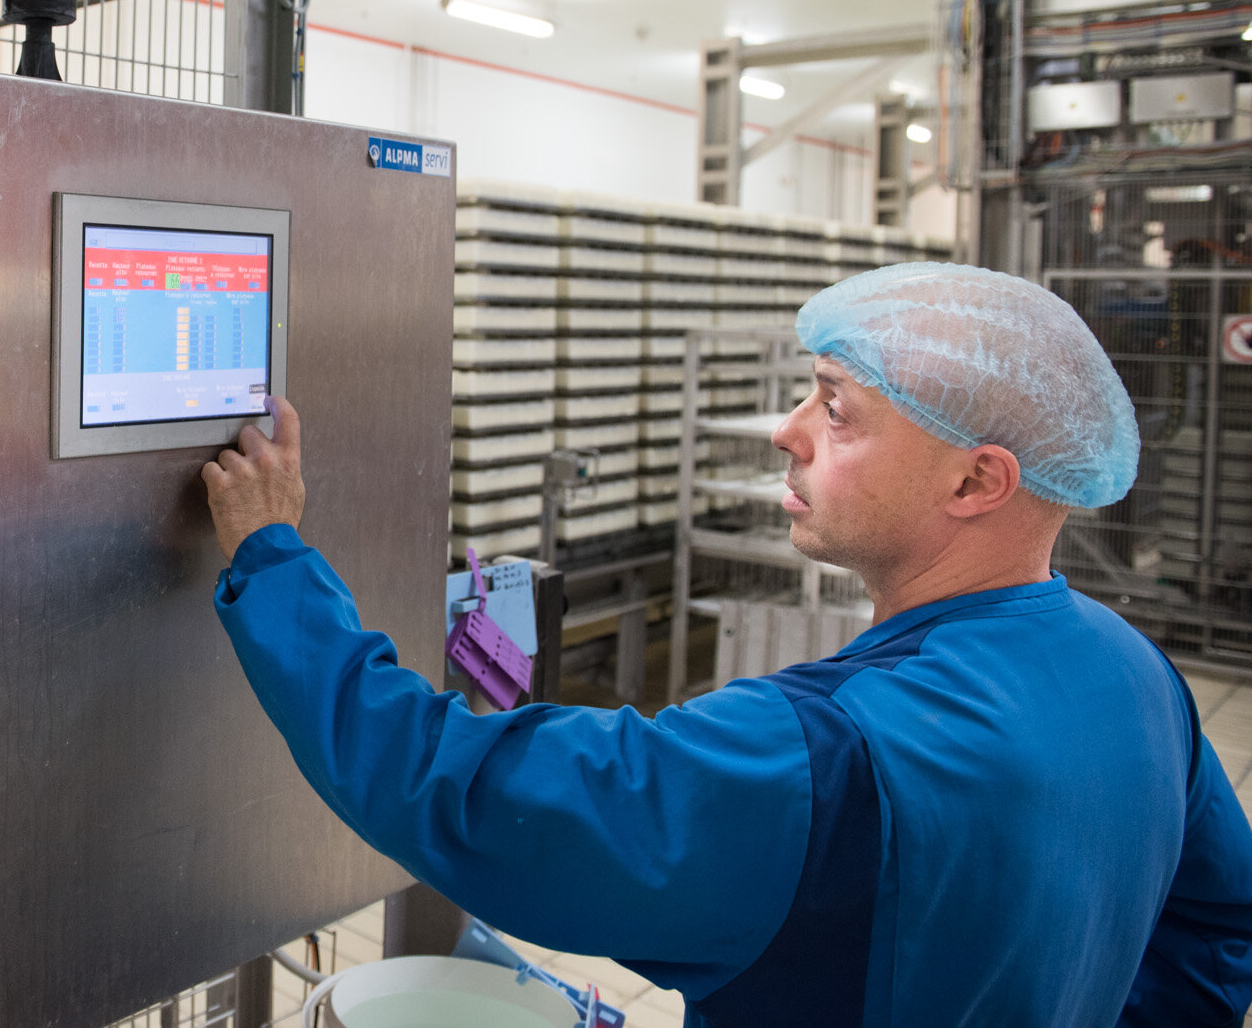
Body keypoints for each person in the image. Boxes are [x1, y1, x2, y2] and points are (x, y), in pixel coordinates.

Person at [202, 263, 1252, 1027]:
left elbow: (455, 788)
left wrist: (273, 554)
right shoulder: (1134, 672)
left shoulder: (824, 761)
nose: (786, 429)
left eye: (836, 410)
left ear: (974, 481)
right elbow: (1214, 928)